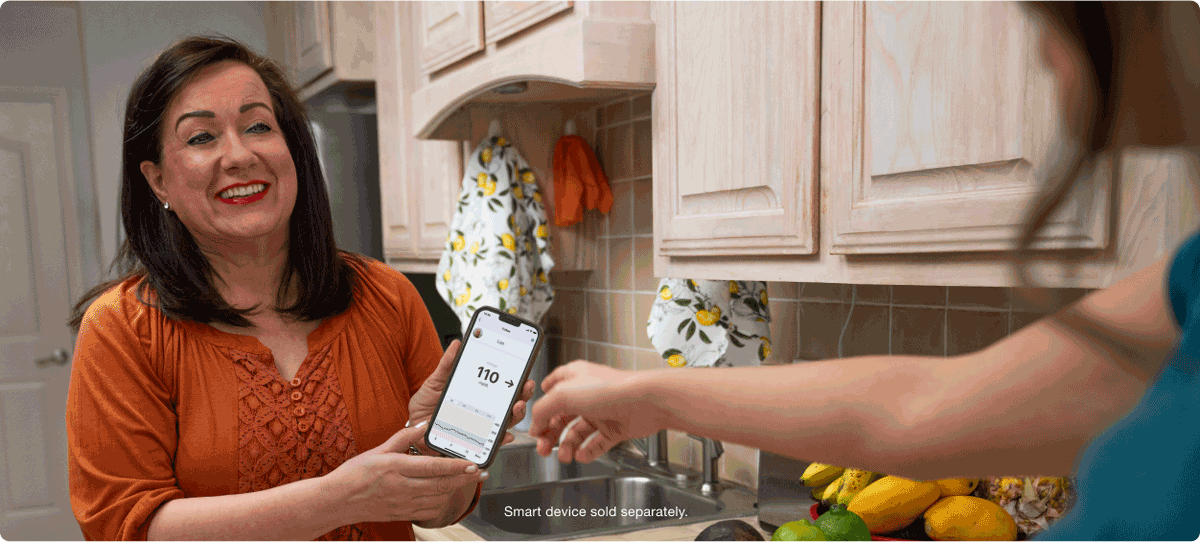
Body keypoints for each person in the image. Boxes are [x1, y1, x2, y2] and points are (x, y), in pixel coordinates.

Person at [531, 3, 1200, 540]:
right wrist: (649, 397)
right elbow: (914, 410)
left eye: (1051, 19)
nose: (1043, 55)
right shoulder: (1189, 282)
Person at [65, 35, 533, 541]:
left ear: (292, 149)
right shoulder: (124, 330)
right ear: (158, 181)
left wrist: (433, 448)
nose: (239, 155)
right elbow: (125, 528)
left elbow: (445, 510)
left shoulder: (388, 297)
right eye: (201, 137)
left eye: (258, 126)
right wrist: (342, 497)